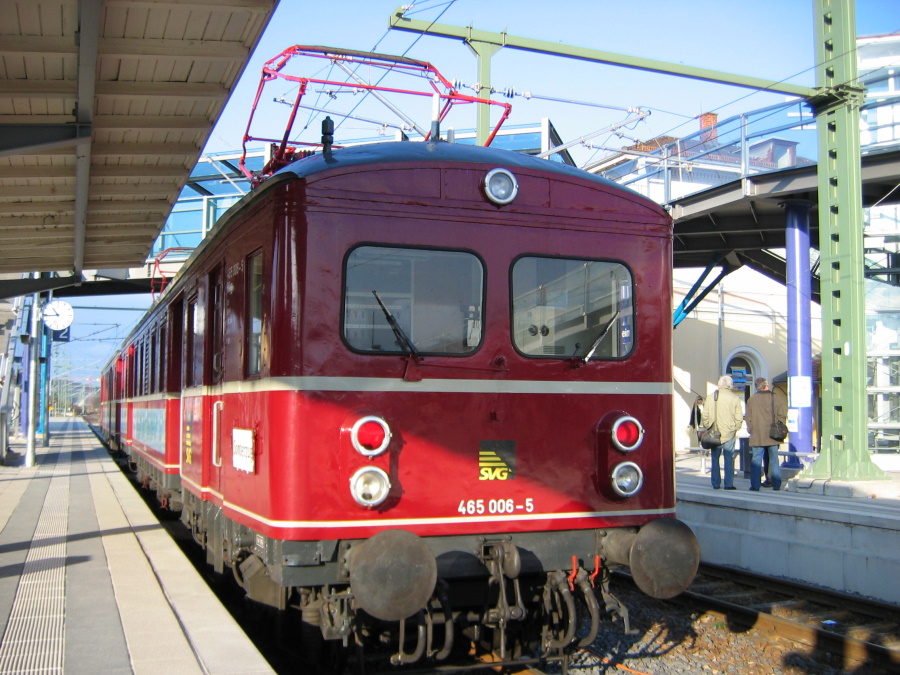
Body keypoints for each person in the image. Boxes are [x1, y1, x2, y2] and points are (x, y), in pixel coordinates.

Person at [701, 375, 745, 490]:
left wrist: (708, 425)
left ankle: (715, 483)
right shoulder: (734, 398)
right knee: (729, 458)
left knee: (715, 458)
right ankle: (728, 484)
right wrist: (736, 427)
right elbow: (739, 417)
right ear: (730, 385)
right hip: (729, 432)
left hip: (714, 432)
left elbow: (704, 415)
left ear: (719, 384)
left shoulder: (710, 397)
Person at [745, 377, 788, 491]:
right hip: (773, 434)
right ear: (766, 386)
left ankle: (755, 485)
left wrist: (751, 429)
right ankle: (776, 484)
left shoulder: (751, 399)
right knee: (774, 460)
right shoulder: (776, 398)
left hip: (757, 434)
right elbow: (782, 415)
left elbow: (748, 417)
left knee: (756, 460)